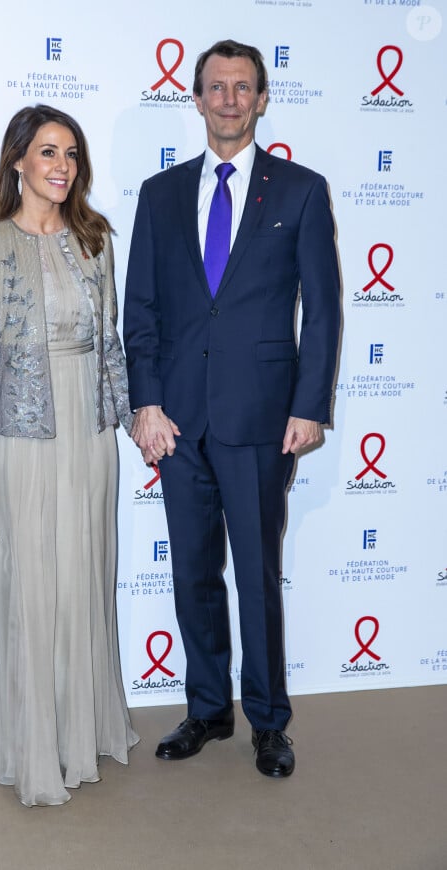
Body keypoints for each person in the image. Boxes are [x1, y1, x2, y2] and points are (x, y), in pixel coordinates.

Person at [124, 40, 340, 778]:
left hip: (261, 420)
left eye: (241, 87)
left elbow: (326, 309)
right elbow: (141, 312)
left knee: (255, 576)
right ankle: (208, 709)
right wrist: (143, 404)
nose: (228, 99)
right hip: (177, 423)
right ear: (195, 97)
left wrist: (310, 405)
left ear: (260, 98)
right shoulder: (159, 195)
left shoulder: (302, 191)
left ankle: (269, 722)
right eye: (215, 87)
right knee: (192, 575)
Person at [0, 104, 138, 807]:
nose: (61, 166)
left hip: (89, 434)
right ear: (17, 162)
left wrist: (131, 421)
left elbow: (112, 341)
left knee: (83, 576)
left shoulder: (95, 239)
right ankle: (31, 745)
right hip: (20, 435)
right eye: (47, 153)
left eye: (70, 154)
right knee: (30, 585)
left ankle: (78, 733)